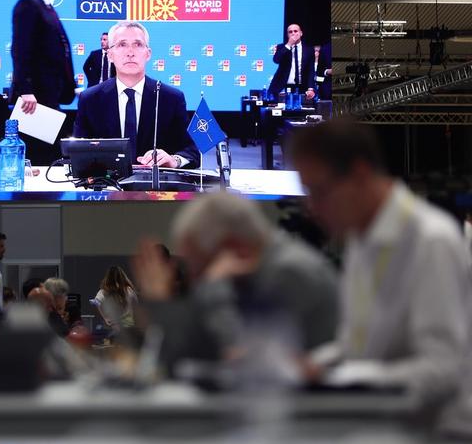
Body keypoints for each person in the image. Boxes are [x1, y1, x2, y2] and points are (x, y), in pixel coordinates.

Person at [289, 117, 471, 404]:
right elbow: (356, 346)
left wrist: (346, 378)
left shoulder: (431, 241)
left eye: (319, 192)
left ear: (359, 174)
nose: (312, 207)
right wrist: (312, 364)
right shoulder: (360, 239)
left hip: (437, 426)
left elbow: (443, 368)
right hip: (378, 415)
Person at [133, 192, 339, 380]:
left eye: (199, 269)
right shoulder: (254, 273)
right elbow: (189, 358)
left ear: (231, 247)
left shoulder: (289, 273)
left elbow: (246, 365)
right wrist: (160, 307)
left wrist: (212, 287)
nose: (196, 281)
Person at [73, 21, 199, 168]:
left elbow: (192, 152)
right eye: (122, 45)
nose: (130, 53)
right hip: (106, 181)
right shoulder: (90, 99)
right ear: (110, 55)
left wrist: (174, 160)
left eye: (138, 44)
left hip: (155, 182)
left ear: (148, 54)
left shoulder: (171, 98)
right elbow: (76, 152)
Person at [10, 0, 76, 165]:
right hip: (35, 100)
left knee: (49, 155)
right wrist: (25, 90)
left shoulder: (47, 7)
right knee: (39, 156)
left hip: (49, 96)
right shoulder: (28, 5)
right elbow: (20, 49)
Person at [269, 23, 316, 101]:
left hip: (302, 87)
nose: (293, 33)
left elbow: (311, 70)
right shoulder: (281, 47)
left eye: (295, 31)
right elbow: (276, 60)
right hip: (282, 87)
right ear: (287, 35)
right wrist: (289, 44)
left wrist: (310, 88)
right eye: (290, 32)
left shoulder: (309, 49)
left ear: (301, 33)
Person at [93, 266, 139, 331]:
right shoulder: (128, 290)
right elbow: (136, 303)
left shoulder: (104, 291)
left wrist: (105, 318)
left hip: (116, 324)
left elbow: (96, 302)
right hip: (127, 323)